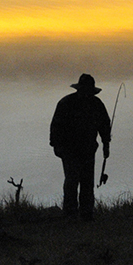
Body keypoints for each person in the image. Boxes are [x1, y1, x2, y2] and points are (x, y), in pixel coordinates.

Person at [49, 74, 111, 221]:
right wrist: (56, 146)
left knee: (86, 183)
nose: (88, 94)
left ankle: (86, 214)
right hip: (70, 151)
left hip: (88, 150)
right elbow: (56, 127)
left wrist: (106, 144)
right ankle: (71, 214)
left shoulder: (96, 104)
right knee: (72, 182)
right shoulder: (66, 103)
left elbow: (104, 126)